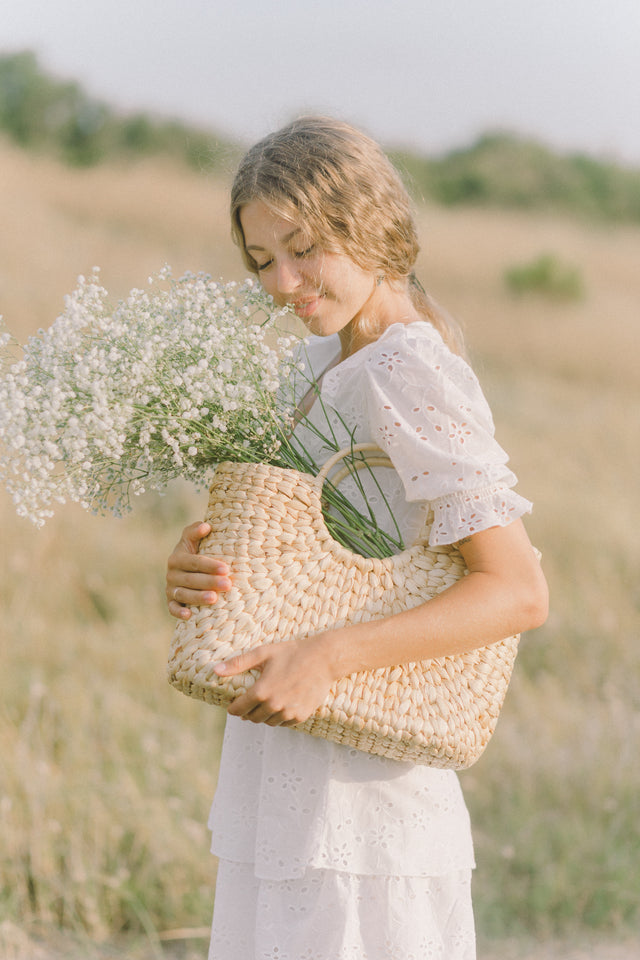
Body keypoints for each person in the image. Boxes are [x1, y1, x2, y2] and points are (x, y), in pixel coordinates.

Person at [165, 116, 548, 960]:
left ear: (370, 225)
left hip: (365, 799)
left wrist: (327, 657)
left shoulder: (407, 369)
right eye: (261, 261)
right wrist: (206, 572)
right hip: (290, 773)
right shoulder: (319, 365)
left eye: (303, 249)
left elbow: (517, 589)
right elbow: (317, 556)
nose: (283, 282)